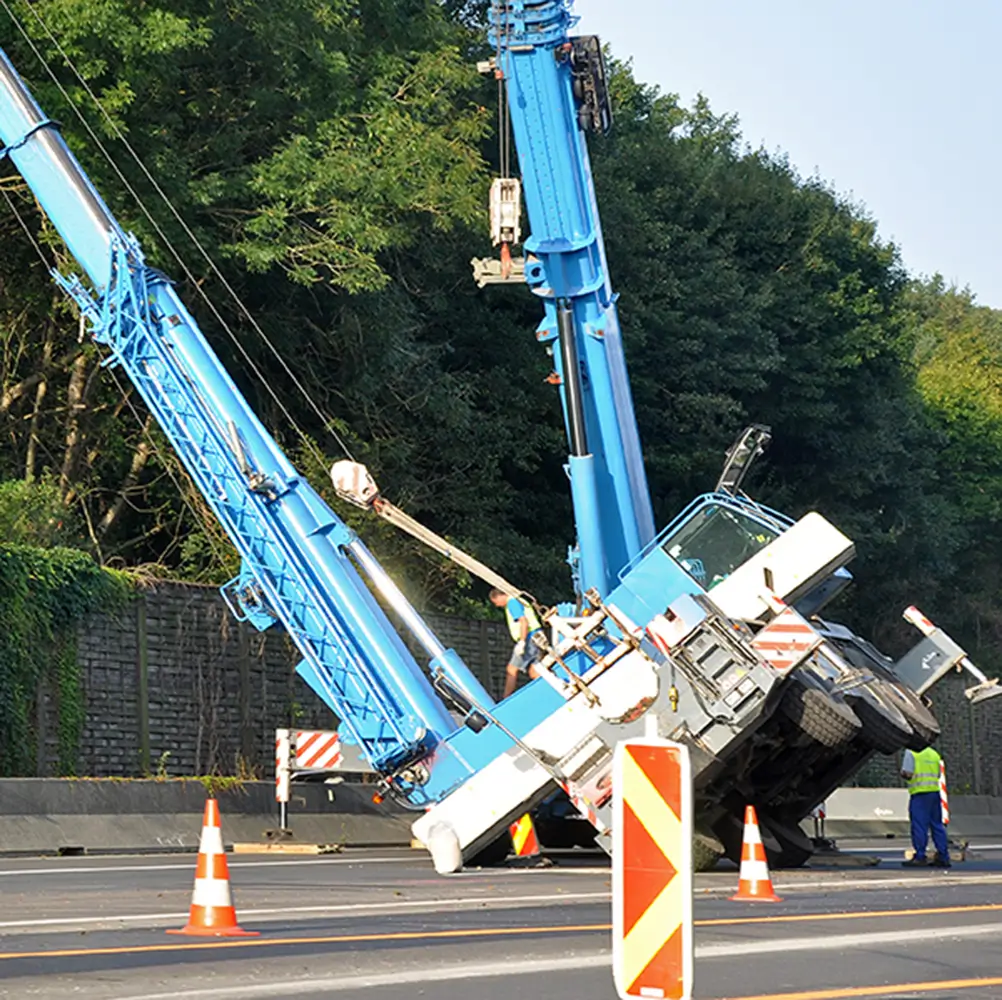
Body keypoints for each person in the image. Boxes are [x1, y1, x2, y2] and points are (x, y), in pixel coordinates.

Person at [900, 744, 950, 868]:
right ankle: (943, 856)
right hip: (934, 793)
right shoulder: (934, 754)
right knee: (937, 825)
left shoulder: (911, 752)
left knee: (919, 825)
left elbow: (908, 773)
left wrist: (903, 774)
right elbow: (938, 774)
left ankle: (920, 856)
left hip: (919, 794)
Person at [490, 588, 544, 698]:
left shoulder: (512, 603)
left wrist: (522, 642)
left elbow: (523, 622)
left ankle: (506, 700)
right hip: (538, 637)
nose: (497, 605)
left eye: (496, 602)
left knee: (511, 669)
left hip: (529, 638)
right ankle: (547, 692)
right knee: (535, 672)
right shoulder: (519, 600)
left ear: (500, 596)